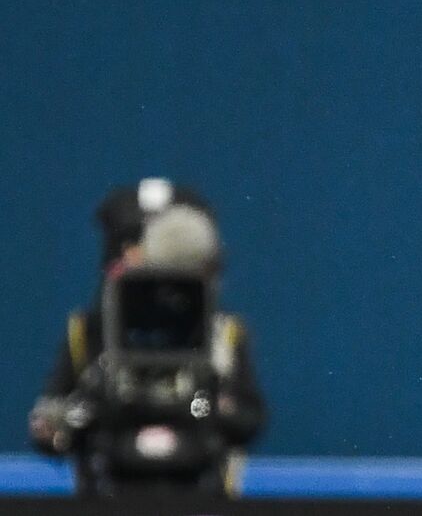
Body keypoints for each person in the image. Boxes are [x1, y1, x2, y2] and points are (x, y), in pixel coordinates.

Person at [30, 179, 265, 499]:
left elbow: (249, 420)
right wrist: (81, 411)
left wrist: (211, 406)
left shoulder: (224, 338)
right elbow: (51, 430)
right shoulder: (87, 335)